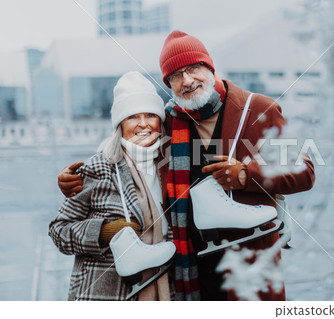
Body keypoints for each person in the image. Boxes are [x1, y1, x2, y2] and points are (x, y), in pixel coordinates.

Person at [58, 31, 315, 301]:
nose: (187, 80)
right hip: (189, 266)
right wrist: (77, 177)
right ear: (169, 84)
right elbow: (124, 149)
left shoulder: (259, 110)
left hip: (250, 261)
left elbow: (304, 172)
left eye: (193, 68)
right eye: (176, 76)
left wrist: (246, 176)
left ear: (209, 67)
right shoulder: (169, 121)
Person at [49, 71, 174, 301]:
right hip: (107, 293)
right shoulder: (99, 167)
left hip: (166, 288)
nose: (143, 124)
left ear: (160, 120)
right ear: (120, 124)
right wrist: (104, 232)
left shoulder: (172, 166)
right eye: (133, 117)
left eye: (150, 115)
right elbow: (59, 231)